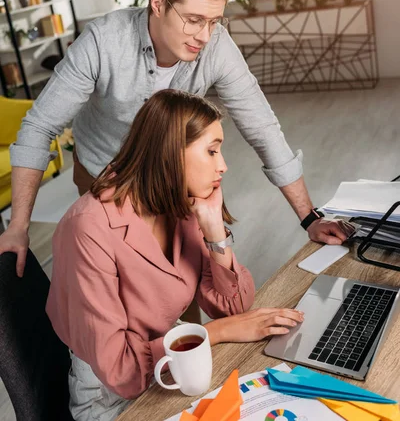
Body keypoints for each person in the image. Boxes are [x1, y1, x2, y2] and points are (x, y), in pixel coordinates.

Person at [1, 0, 346, 277]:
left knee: (180, 279)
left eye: (214, 21)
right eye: (194, 20)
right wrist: (18, 228)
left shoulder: (217, 47)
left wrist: (308, 218)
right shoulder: (103, 41)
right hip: (103, 173)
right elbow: (39, 126)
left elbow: (262, 126)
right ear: (157, 3)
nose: (205, 36)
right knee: (124, 285)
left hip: (169, 175)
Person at [46, 90, 304, 421]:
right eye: (211, 151)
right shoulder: (88, 228)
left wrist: (214, 232)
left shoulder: (179, 202)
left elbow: (233, 306)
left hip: (176, 359)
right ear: (169, 153)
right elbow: (121, 370)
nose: (222, 165)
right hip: (112, 398)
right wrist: (219, 332)